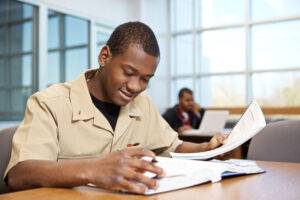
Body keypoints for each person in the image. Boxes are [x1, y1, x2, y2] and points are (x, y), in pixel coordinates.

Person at [5, 22, 225, 194]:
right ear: (104, 57)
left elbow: (172, 145)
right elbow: (19, 174)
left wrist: (206, 148)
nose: (135, 87)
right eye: (128, 73)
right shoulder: (49, 103)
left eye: (145, 79)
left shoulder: (143, 104)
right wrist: (93, 169)